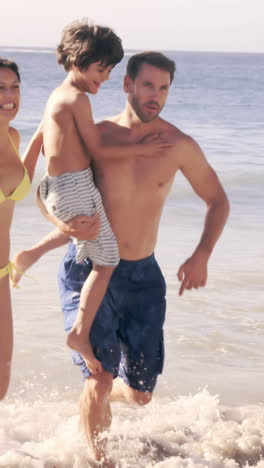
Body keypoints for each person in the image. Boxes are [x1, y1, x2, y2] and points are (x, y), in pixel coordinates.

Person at [13, 51, 229, 465]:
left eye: (164, 88)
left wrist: (202, 253)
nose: (156, 96)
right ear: (127, 84)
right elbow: (50, 185)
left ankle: (101, 395)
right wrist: (57, 221)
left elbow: (217, 200)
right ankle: (100, 457)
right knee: (98, 375)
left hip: (143, 277)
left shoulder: (178, 144)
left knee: (141, 395)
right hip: (88, 267)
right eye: (148, 85)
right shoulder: (96, 136)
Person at [37, 20, 170, 374]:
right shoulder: (77, 99)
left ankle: (32, 256)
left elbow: (39, 143)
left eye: (110, 70)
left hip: (61, 185)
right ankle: (80, 333)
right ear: (79, 61)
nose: (106, 77)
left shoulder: (56, 95)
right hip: (76, 185)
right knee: (107, 262)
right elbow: (96, 149)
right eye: (101, 69)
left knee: (89, 248)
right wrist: (139, 149)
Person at [0, 58, 41, 399]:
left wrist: (42, 136)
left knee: (1, 384)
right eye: (0, 87)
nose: (8, 95)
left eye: (14, 86)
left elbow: (18, 183)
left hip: (1, 276)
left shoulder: (13, 136)